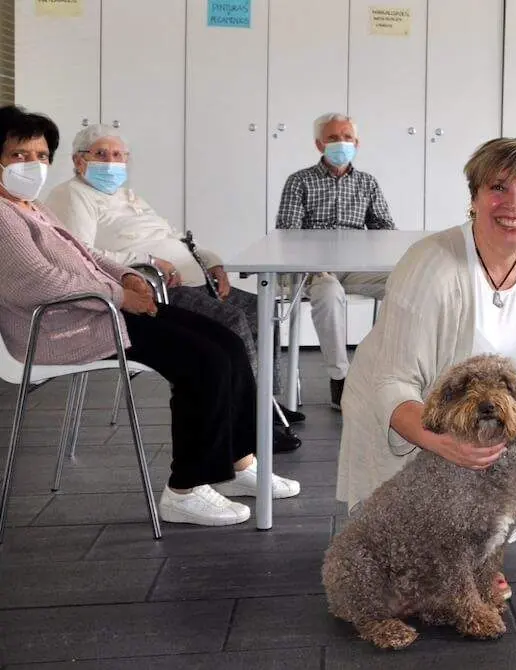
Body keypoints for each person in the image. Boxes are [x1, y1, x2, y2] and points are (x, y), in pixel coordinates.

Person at [0, 105, 299, 526]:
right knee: (203, 360)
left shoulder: (31, 206)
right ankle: (186, 489)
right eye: (19, 155)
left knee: (225, 343)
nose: (32, 165)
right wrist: (119, 293)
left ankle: (236, 462)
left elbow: (86, 254)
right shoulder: (4, 215)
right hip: (62, 326)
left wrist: (124, 275)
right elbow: (38, 281)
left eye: (40, 156)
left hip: (97, 310)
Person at [336, 137, 516, 600]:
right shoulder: (431, 264)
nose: (514, 203)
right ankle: (430, 547)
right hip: (415, 417)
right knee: (424, 515)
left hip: (497, 422)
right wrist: (443, 443)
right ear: (474, 198)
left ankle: (475, 546)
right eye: (497, 187)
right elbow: (391, 382)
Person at [42, 123, 303, 453]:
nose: (111, 161)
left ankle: (266, 404)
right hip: (156, 288)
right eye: (101, 154)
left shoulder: (128, 196)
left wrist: (213, 262)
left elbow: (176, 238)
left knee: (264, 312)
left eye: (119, 155)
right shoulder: (72, 195)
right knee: (233, 322)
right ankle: (251, 426)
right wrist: (146, 258)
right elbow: (80, 253)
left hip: (195, 279)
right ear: (79, 161)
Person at [275, 112, 394, 411]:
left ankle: (388, 369)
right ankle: (339, 376)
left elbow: (385, 229)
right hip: (314, 271)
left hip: (355, 267)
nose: (341, 143)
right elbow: (287, 234)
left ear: (357, 143)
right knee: (328, 291)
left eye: (347, 137)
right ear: (319, 145)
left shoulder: (368, 183)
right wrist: (314, 262)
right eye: (332, 138)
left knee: (405, 286)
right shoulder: (299, 181)